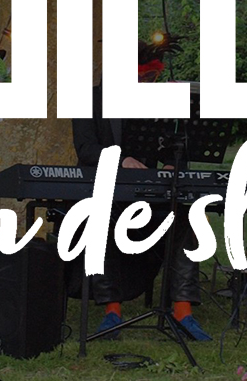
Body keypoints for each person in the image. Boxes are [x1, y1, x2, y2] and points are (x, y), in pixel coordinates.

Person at [71, 42, 211, 341]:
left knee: (188, 216)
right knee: (102, 220)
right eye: (143, 78)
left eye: (152, 78)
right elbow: (85, 148)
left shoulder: (156, 102)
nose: (148, 84)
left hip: (150, 193)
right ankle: (111, 311)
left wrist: (173, 163)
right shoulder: (88, 99)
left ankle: (183, 310)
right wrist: (121, 159)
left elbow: (174, 146)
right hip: (105, 190)